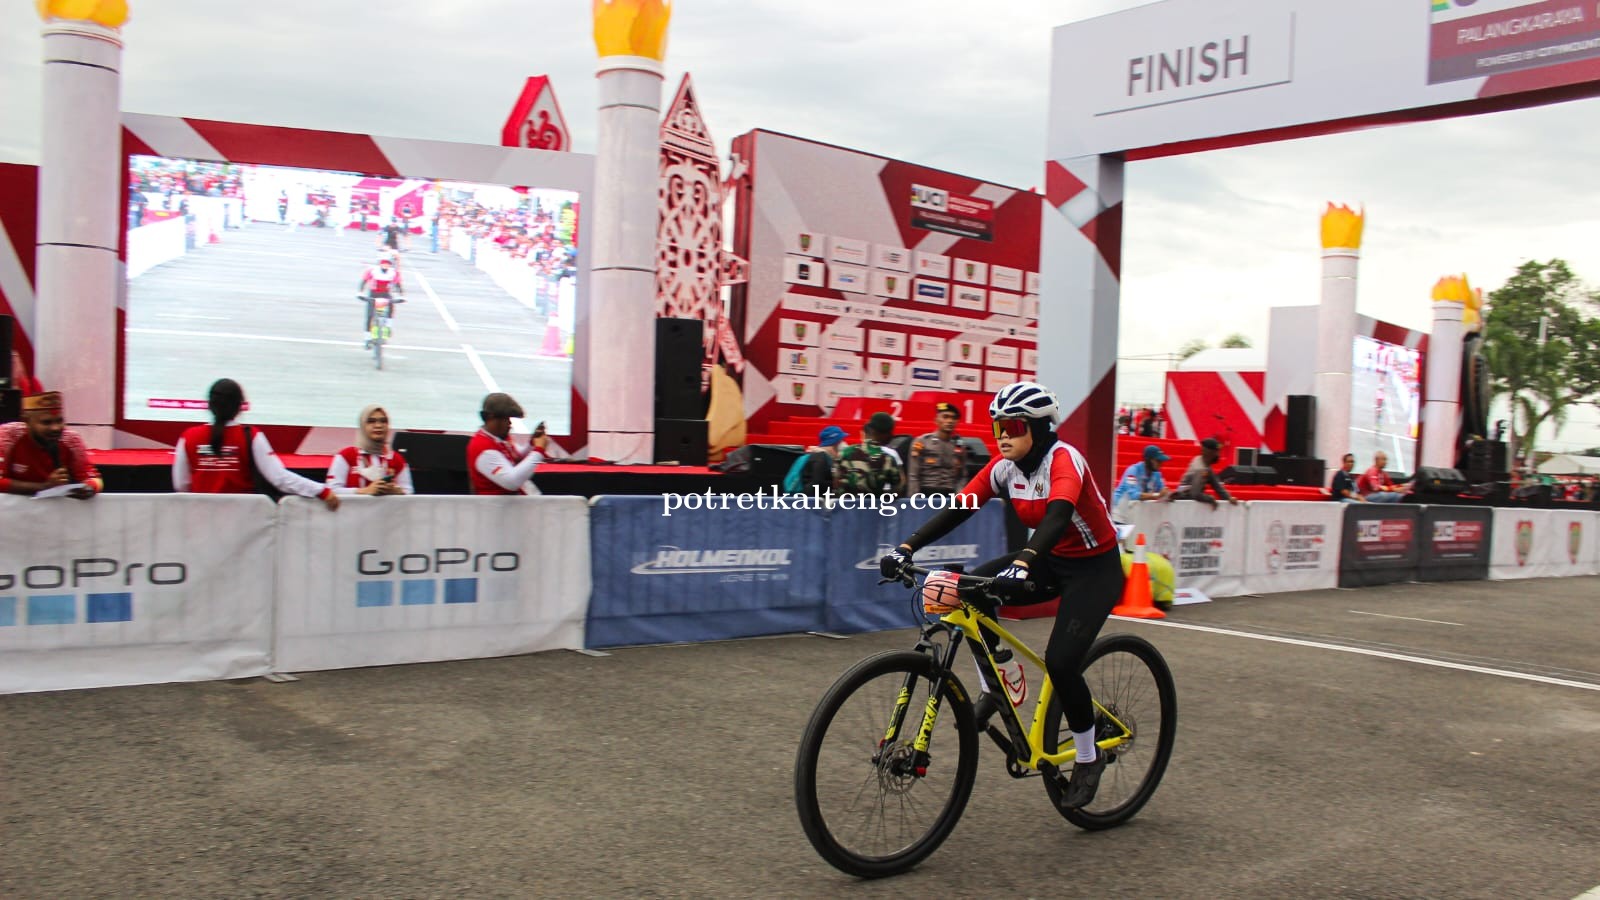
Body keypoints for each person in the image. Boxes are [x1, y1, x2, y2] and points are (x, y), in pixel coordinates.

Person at [879, 381, 1122, 810]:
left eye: (1013, 426)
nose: (1003, 435)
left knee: (1061, 663)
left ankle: (1088, 757)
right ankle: (1001, 681)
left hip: (1094, 569)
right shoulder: (1004, 468)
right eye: (998, 427)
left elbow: (1058, 516)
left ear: (1040, 429)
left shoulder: (1065, 460)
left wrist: (1024, 561)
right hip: (1049, 559)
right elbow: (959, 508)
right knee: (970, 591)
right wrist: (906, 547)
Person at [172, 379, 340, 509]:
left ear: (209, 405)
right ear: (240, 407)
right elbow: (279, 478)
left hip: (200, 521)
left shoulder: (188, 437)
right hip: (242, 522)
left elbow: (181, 485)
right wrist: (321, 491)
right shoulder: (251, 436)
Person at [0, 392, 101, 498]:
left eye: (59, 421)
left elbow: (95, 479)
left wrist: (88, 488)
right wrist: (44, 487)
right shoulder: (8, 435)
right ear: (26, 421)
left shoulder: (71, 440)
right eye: (46, 422)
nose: (56, 428)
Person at [466, 392, 548, 495]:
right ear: (491, 417)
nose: (510, 424)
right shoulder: (483, 448)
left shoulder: (498, 438)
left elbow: (516, 458)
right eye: (506, 419)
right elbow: (512, 482)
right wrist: (539, 451)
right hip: (503, 505)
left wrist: (532, 444)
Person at [326, 405, 413, 496]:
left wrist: (396, 492)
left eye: (383, 421)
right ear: (362, 425)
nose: (378, 425)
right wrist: (364, 491)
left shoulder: (396, 459)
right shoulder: (346, 455)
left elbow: (409, 492)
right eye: (371, 421)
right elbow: (331, 490)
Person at [835, 411, 905, 497]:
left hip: (845, 504)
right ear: (885, 434)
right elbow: (899, 488)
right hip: (874, 504)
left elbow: (836, 482)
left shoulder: (845, 452)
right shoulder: (887, 458)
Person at [907, 402, 968, 496]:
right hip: (926, 493)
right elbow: (913, 475)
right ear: (936, 420)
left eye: (953, 418)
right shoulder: (922, 442)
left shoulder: (959, 446)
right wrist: (915, 499)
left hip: (950, 494)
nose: (950, 421)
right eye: (945, 417)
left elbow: (962, 476)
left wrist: (959, 497)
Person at [1171, 437, 1238, 507]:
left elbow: (1215, 483)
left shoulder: (1202, 461)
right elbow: (1195, 494)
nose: (1218, 455)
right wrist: (1209, 499)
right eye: (1216, 452)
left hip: (1189, 497)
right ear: (1208, 452)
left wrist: (1229, 497)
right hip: (1185, 500)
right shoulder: (1200, 469)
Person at [1112, 444, 1172, 514]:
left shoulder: (1157, 474)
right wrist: (1157, 495)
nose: (1161, 464)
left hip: (1134, 511)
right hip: (1118, 510)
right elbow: (1133, 495)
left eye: (1161, 461)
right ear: (1148, 460)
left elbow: (1162, 491)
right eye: (1158, 461)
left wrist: (1168, 495)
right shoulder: (1132, 471)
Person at [358, 255, 405, 338]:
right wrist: (360, 292)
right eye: (383, 263)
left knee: (391, 306)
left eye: (387, 263)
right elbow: (364, 281)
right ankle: (367, 336)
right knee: (370, 315)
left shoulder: (394, 272)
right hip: (373, 294)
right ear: (379, 263)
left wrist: (401, 295)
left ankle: (388, 326)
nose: (385, 265)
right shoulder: (372, 270)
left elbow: (398, 285)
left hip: (386, 293)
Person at [793, 425, 847, 494]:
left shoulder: (825, 457)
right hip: (812, 498)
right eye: (841, 440)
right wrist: (836, 484)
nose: (844, 444)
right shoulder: (820, 458)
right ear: (836, 443)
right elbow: (817, 484)